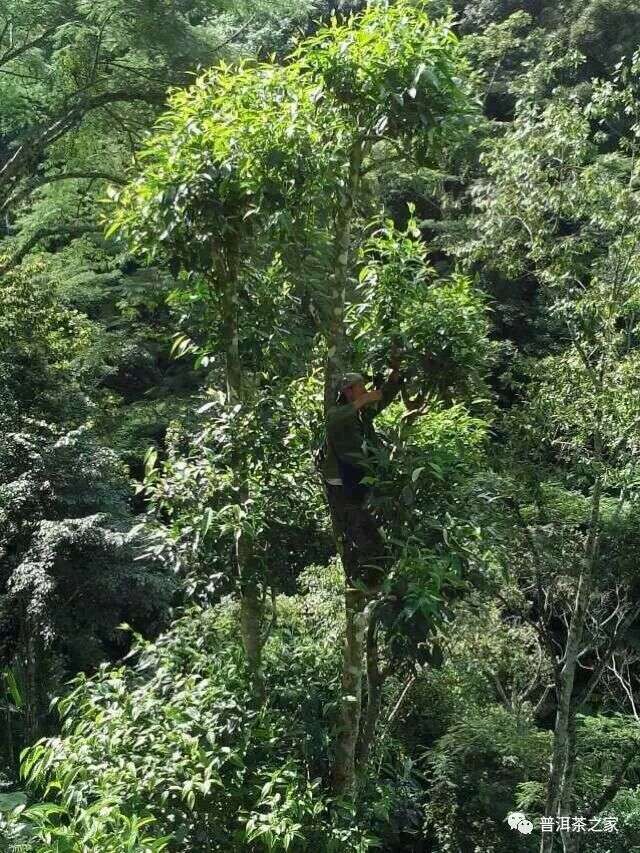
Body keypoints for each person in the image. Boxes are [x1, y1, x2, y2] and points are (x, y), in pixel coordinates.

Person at [320, 366, 401, 589]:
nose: (364, 391)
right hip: (342, 481)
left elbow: (382, 398)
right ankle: (364, 579)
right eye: (360, 388)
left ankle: (377, 572)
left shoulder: (361, 411)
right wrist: (361, 402)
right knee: (356, 528)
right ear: (349, 391)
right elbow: (333, 421)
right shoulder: (339, 412)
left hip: (359, 476)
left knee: (370, 523)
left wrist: (394, 376)